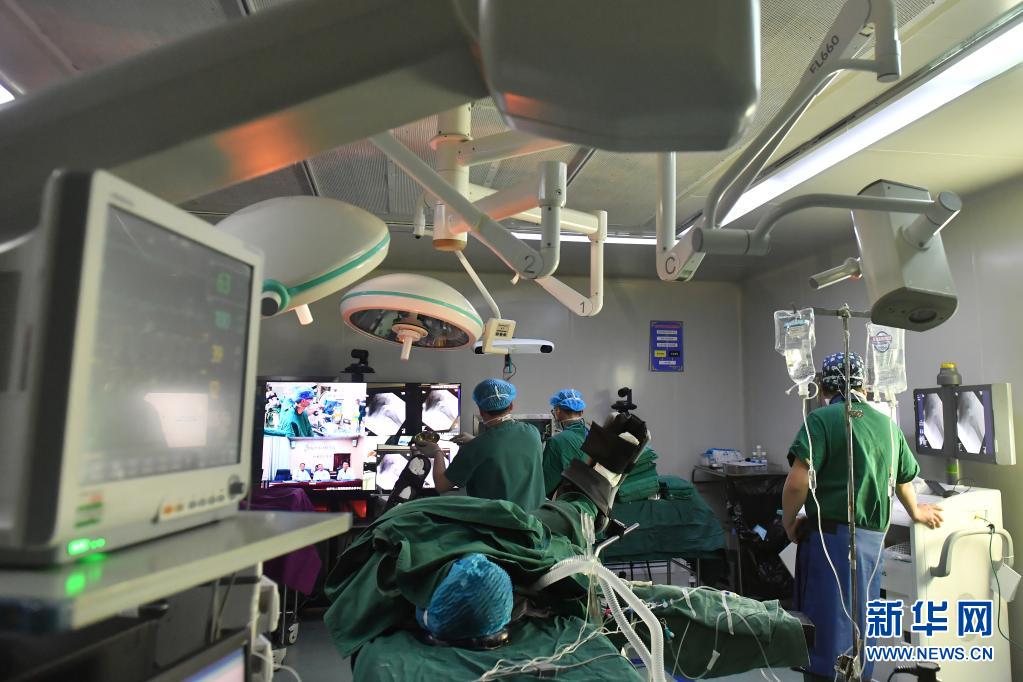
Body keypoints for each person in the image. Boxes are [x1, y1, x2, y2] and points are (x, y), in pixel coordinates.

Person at [781, 352, 944, 680]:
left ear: (824, 388)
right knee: (860, 628)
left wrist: (788, 524)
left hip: (828, 542)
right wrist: (916, 512)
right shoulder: (887, 426)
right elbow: (903, 479)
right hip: (871, 546)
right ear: (864, 387)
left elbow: (797, 484)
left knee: (825, 631)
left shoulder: (821, 420)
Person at [420, 379, 545, 510]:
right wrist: (476, 441)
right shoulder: (533, 432)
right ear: (511, 406)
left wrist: (437, 453)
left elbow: (441, 485)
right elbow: (503, 446)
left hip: (501, 520)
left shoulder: (475, 448)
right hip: (535, 519)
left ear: (481, 411)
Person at [541, 389, 589, 495]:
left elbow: (545, 485)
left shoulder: (556, 441)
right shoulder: (590, 434)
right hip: (589, 497)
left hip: (568, 499)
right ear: (581, 412)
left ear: (558, 411)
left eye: (554, 411)